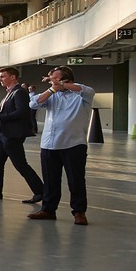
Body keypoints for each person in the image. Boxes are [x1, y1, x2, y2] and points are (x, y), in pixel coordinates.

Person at [28, 67, 96, 225]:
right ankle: (48, 209)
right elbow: (33, 104)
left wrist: (62, 86)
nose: (51, 81)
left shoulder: (81, 95)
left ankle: (79, 212)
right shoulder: (52, 95)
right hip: (49, 144)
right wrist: (52, 89)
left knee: (75, 180)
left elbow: (88, 90)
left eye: (55, 78)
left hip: (73, 144)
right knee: (50, 180)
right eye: (51, 78)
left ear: (66, 80)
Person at [0, 67, 45, 203]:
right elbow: (8, 110)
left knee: (21, 165)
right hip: (3, 135)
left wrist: (0, 117)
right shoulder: (10, 93)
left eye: (2, 76)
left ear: (13, 77)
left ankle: (40, 191)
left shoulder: (19, 92)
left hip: (13, 135)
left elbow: (21, 112)